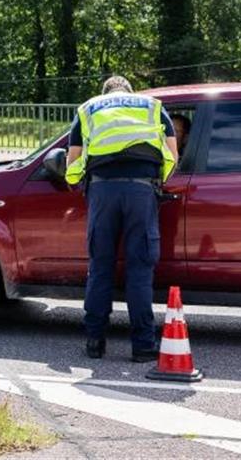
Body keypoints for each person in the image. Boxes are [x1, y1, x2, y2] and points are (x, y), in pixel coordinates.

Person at [65, 75, 178, 362]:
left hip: (102, 191)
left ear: (105, 93)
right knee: (139, 268)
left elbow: (74, 159)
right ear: (130, 91)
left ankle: (95, 342)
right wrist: (156, 183)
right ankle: (142, 345)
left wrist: (79, 184)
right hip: (141, 191)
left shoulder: (89, 109)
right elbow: (172, 155)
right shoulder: (151, 106)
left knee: (100, 266)